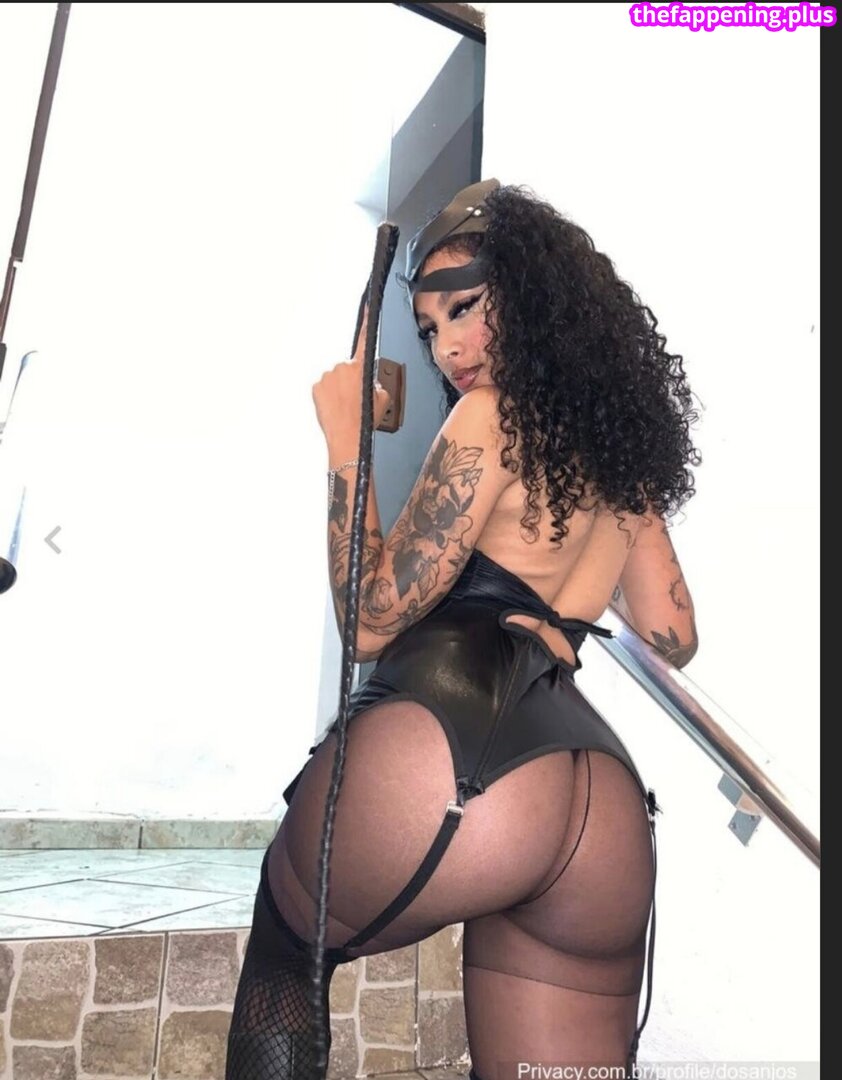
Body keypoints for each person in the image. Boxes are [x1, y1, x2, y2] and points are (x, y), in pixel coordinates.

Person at [225, 179, 700, 1080]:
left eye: (466, 308)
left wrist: (347, 442)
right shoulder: (621, 464)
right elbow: (672, 632)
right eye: (431, 327)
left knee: (287, 948)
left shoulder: (488, 415)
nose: (447, 347)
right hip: (592, 797)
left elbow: (368, 621)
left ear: (533, 296)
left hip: (457, 738)